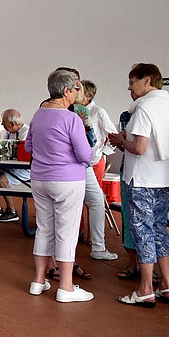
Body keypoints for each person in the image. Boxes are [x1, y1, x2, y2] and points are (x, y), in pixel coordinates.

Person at [108, 63, 169, 307]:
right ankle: (166, 285)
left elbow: (139, 147)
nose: (129, 87)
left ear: (147, 81)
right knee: (160, 230)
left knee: (143, 232)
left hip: (143, 180)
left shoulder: (144, 108)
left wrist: (120, 140)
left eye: (132, 82)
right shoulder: (168, 103)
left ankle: (145, 288)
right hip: (165, 178)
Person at [26, 69, 93, 302]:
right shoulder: (71, 118)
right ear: (66, 91)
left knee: (44, 228)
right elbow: (85, 154)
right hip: (67, 180)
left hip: (40, 179)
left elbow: (29, 147)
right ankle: (66, 287)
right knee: (67, 231)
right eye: (76, 88)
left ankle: (38, 280)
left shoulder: (38, 114)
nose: (77, 93)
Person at [76, 80, 119, 261]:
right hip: (81, 161)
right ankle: (80, 234)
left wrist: (102, 153)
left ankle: (92, 237)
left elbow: (112, 134)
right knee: (79, 200)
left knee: (93, 201)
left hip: (94, 160)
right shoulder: (76, 110)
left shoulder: (98, 112)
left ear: (88, 96)